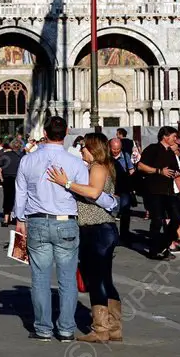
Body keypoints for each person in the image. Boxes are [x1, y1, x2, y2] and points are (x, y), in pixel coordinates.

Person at [14, 117, 89, 342]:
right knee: (67, 279)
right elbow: (83, 192)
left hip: (36, 221)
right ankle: (66, 329)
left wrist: (20, 220)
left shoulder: (28, 160)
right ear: (66, 132)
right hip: (66, 222)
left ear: (44, 132)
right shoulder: (75, 162)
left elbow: (21, 193)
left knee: (40, 279)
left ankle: (43, 329)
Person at [46, 132, 122, 343]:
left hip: (96, 229)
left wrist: (66, 183)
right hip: (101, 229)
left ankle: (100, 329)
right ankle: (114, 327)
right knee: (105, 278)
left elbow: (94, 193)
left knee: (96, 279)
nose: (81, 151)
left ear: (93, 149)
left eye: (84, 148)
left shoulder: (98, 166)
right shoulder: (103, 166)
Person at [136, 127, 180, 260]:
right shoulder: (153, 148)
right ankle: (154, 250)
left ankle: (163, 244)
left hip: (168, 191)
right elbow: (141, 166)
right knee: (157, 221)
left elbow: (175, 170)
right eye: (174, 136)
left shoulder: (170, 152)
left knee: (177, 218)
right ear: (165, 136)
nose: (176, 139)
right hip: (154, 191)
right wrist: (158, 171)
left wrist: (178, 176)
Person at [109, 138, 136, 241]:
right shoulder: (106, 157)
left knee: (125, 210)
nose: (116, 151)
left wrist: (133, 184)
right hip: (111, 187)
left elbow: (131, 170)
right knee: (111, 212)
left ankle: (124, 233)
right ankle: (112, 234)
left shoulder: (125, 155)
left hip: (124, 187)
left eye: (118, 149)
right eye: (114, 149)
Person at [0, 139, 23, 227]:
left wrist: (1, 178)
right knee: (18, 199)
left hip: (7, 178)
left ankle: (6, 219)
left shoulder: (5, 155)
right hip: (19, 179)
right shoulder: (22, 155)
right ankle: (16, 218)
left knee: (7, 198)